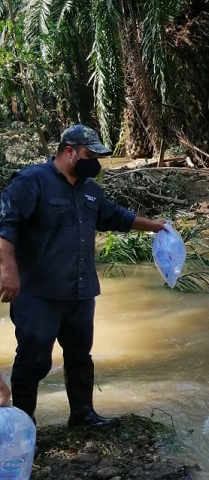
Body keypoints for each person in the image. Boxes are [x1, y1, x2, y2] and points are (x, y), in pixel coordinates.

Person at [0, 124, 168, 426]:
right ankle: (24, 425)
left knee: (80, 355)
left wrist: (153, 225)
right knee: (33, 360)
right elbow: (5, 228)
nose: (95, 162)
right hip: (38, 294)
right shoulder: (30, 182)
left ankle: (83, 414)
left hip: (80, 291)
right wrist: (8, 272)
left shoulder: (90, 190)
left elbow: (115, 216)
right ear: (69, 151)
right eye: (90, 155)